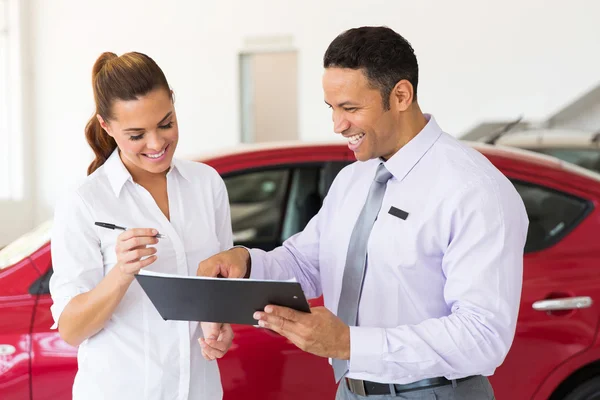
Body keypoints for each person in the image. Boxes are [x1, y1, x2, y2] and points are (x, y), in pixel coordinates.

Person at [197, 26, 529, 399]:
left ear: (401, 95)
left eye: (351, 109)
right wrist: (246, 264)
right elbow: (308, 262)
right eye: (332, 109)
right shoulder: (354, 179)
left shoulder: (474, 190)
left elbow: (482, 336)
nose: (338, 126)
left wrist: (351, 344)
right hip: (352, 391)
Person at [49, 51, 234, 400]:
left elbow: (219, 284)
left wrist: (220, 325)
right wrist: (121, 272)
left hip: (200, 391)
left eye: (166, 124)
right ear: (107, 126)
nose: (156, 144)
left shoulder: (207, 184)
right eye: (136, 135)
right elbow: (72, 330)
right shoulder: (84, 201)